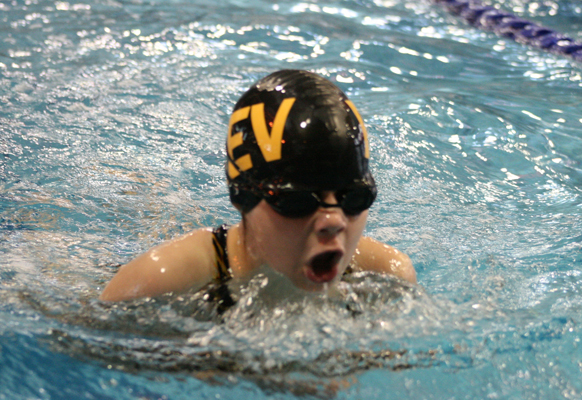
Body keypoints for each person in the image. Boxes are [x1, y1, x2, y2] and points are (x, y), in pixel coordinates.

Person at [100, 69, 416, 302]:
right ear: (244, 194)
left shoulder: (386, 278)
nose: (334, 221)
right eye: (298, 200)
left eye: (353, 198)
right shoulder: (158, 281)